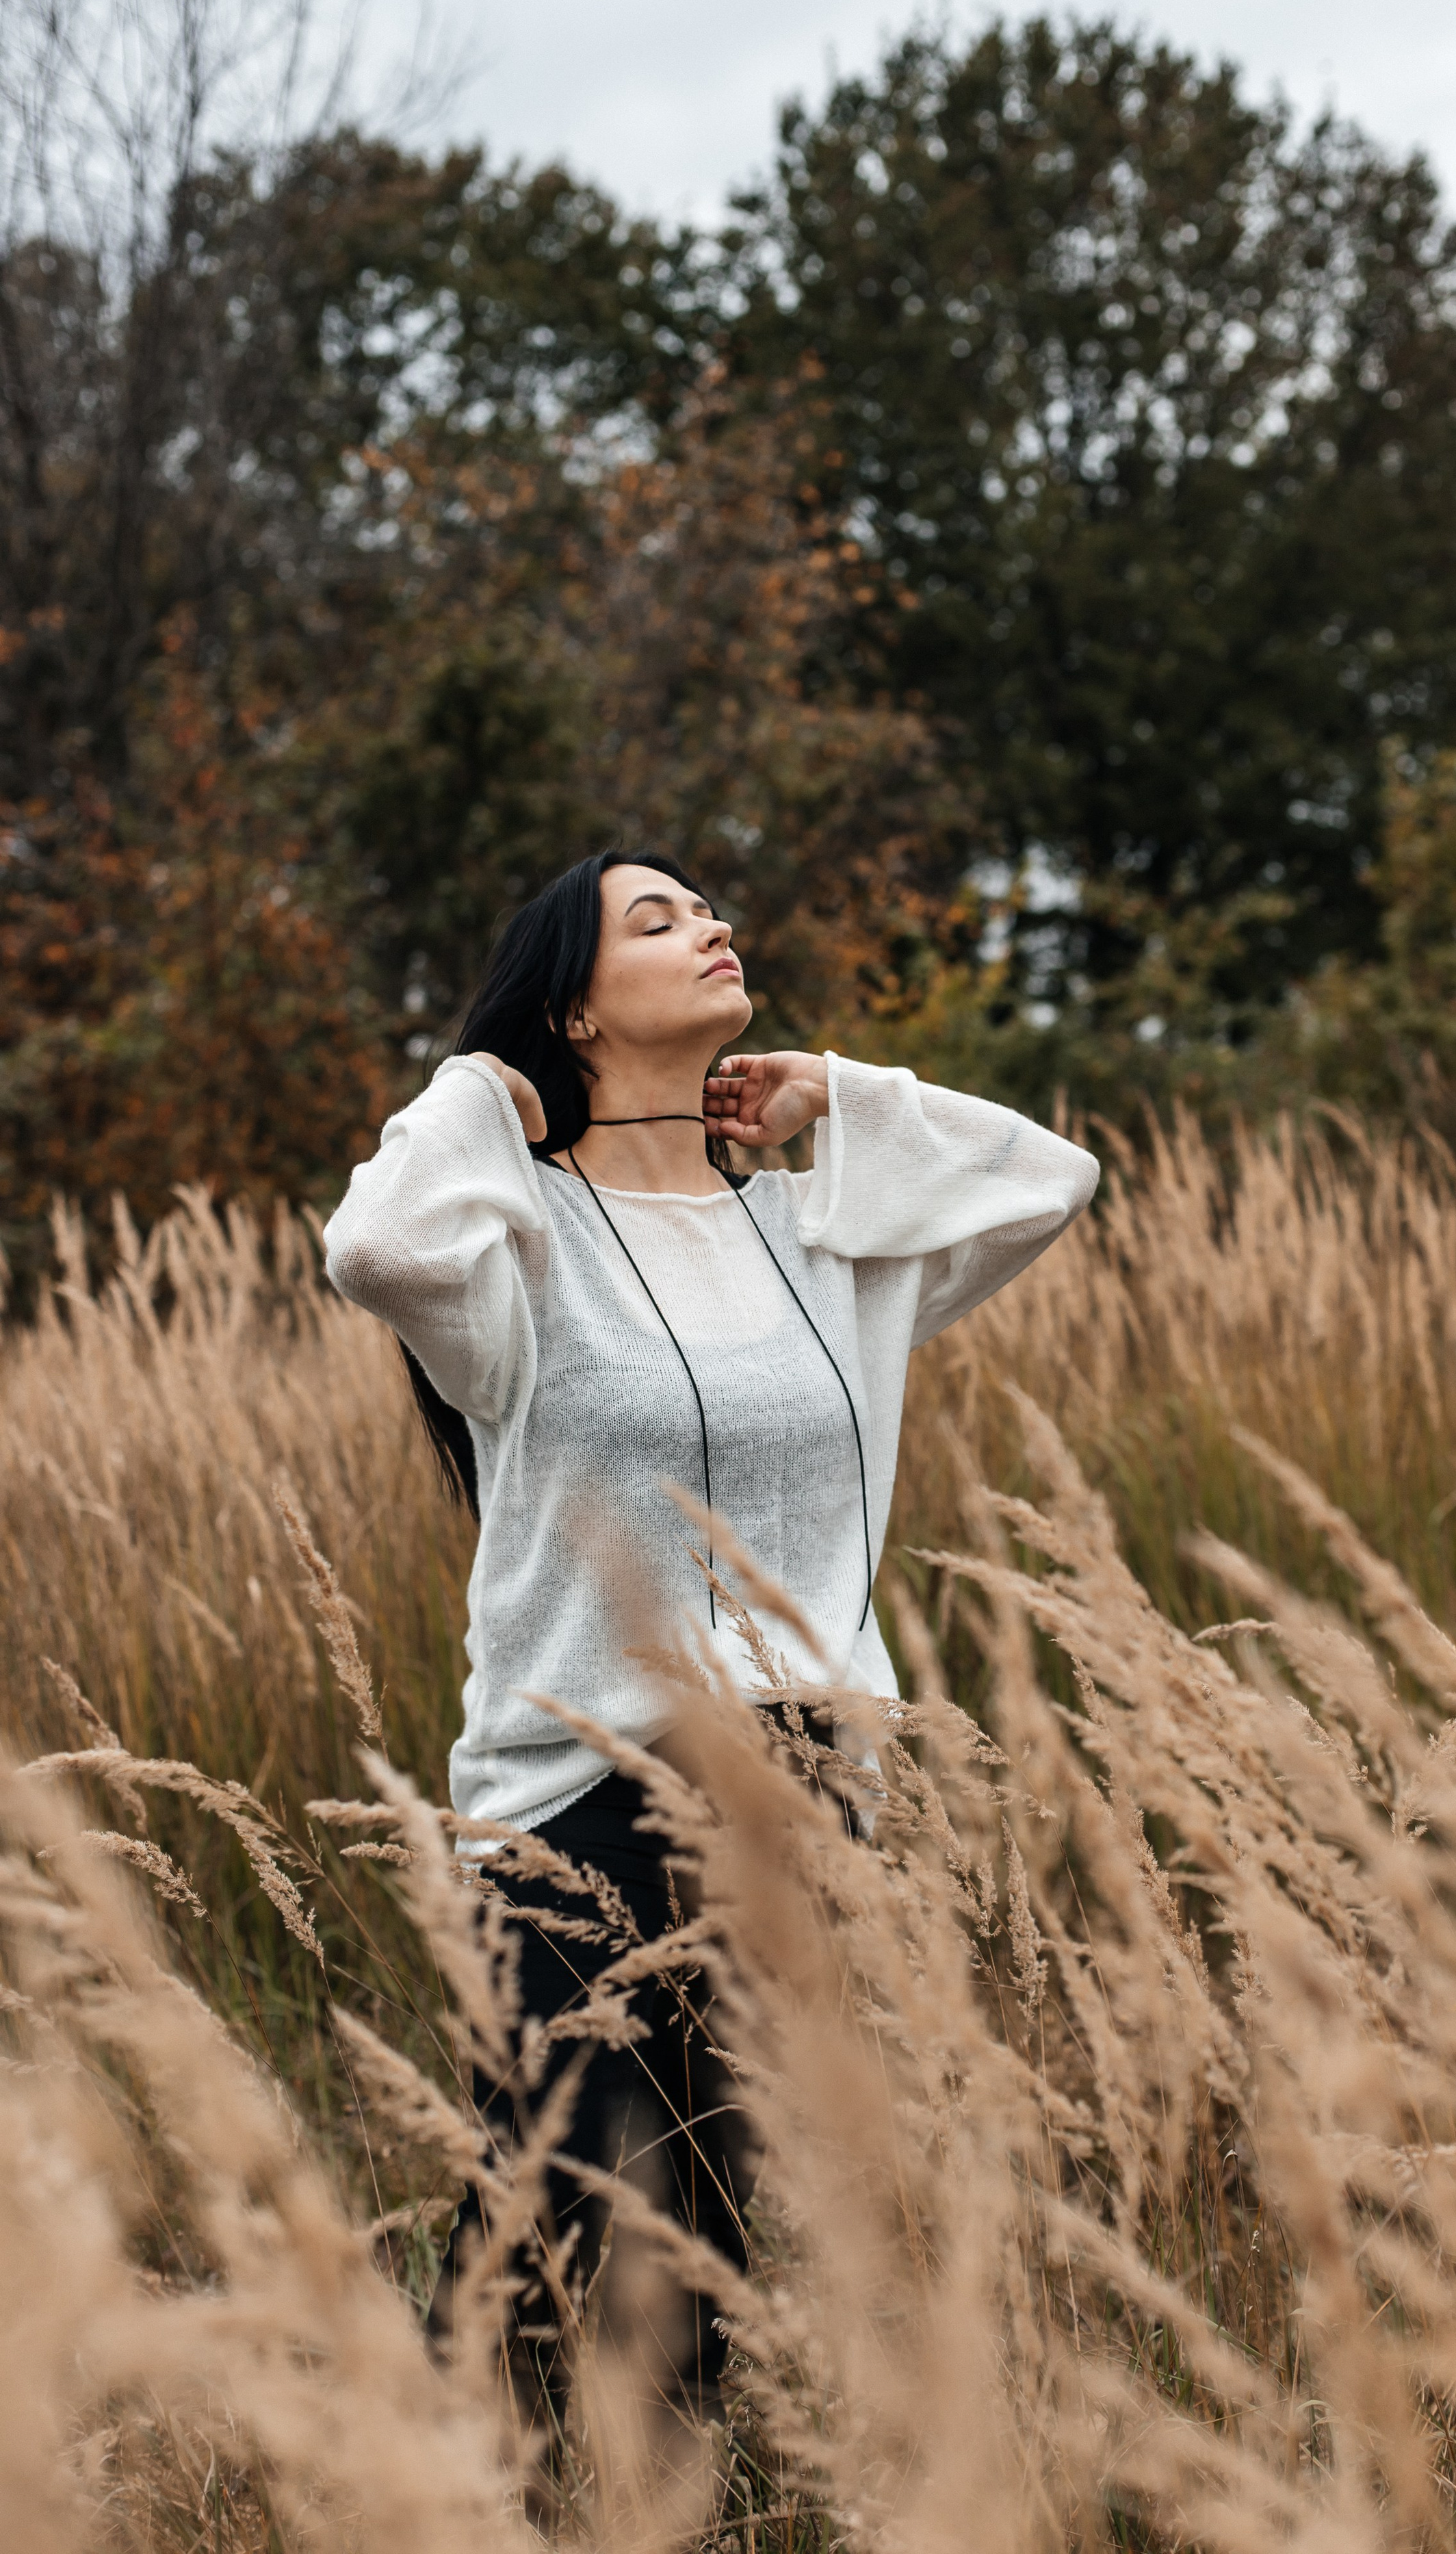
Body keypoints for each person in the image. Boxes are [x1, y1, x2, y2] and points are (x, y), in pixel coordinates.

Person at [322, 846, 1099, 2441]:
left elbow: (1049, 1181)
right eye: (655, 920)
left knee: (711, 2239)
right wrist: (480, 1087)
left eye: (709, 907)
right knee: (552, 2227)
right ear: (574, 1010)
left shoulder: (824, 1242)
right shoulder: (513, 1243)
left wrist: (839, 1097)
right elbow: (379, 1252)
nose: (711, 927)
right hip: (574, 1802)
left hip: (800, 1792)